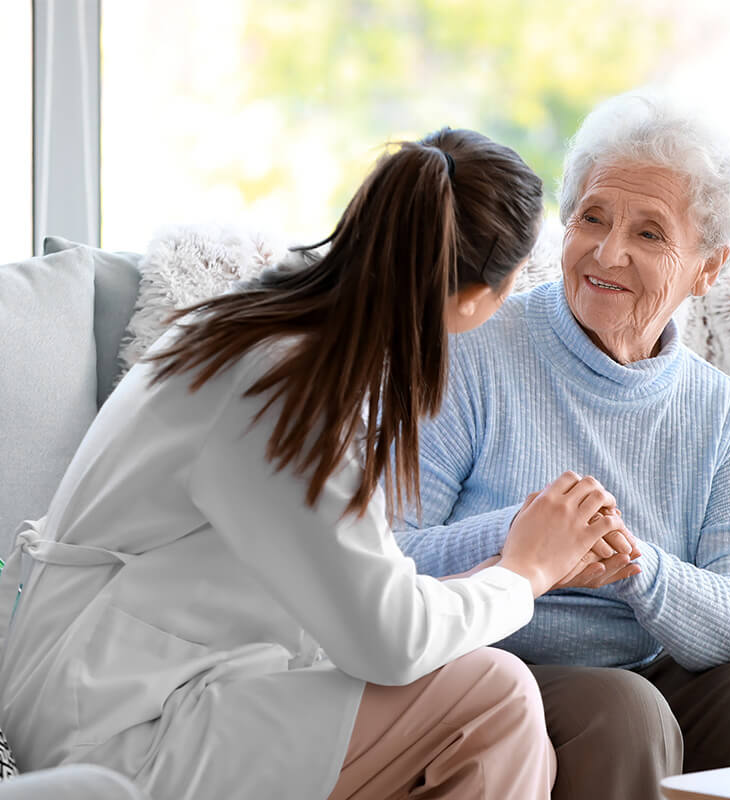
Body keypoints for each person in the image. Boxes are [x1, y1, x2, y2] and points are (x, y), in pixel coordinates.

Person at [0, 128, 631, 800]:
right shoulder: (285, 387)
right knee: (493, 698)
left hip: (131, 683)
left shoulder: (267, 329)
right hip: (118, 723)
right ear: (478, 298)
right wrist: (525, 572)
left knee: (496, 711)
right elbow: (389, 641)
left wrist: (497, 572)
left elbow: (357, 592)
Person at [395, 94, 730, 798]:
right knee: (622, 710)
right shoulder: (474, 348)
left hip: (644, 672)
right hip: (489, 669)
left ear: (708, 267)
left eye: (649, 233)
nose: (609, 253)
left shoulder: (722, 413)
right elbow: (387, 557)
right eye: (592, 218)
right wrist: (530, 537)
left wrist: (635, 565)